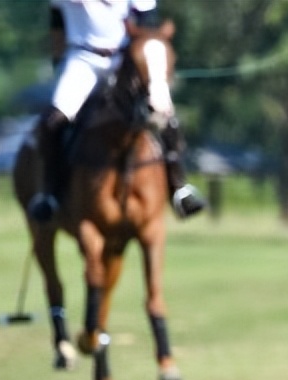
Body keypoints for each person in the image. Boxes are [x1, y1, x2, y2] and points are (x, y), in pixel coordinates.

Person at [26, 0, 206, 225]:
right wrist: (58, 59)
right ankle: (50, 193)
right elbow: (57, 26)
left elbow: (149, 26)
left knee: (165, 115)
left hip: (127, 60)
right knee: (53, 121)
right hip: (83, 59)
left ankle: (179, 188)